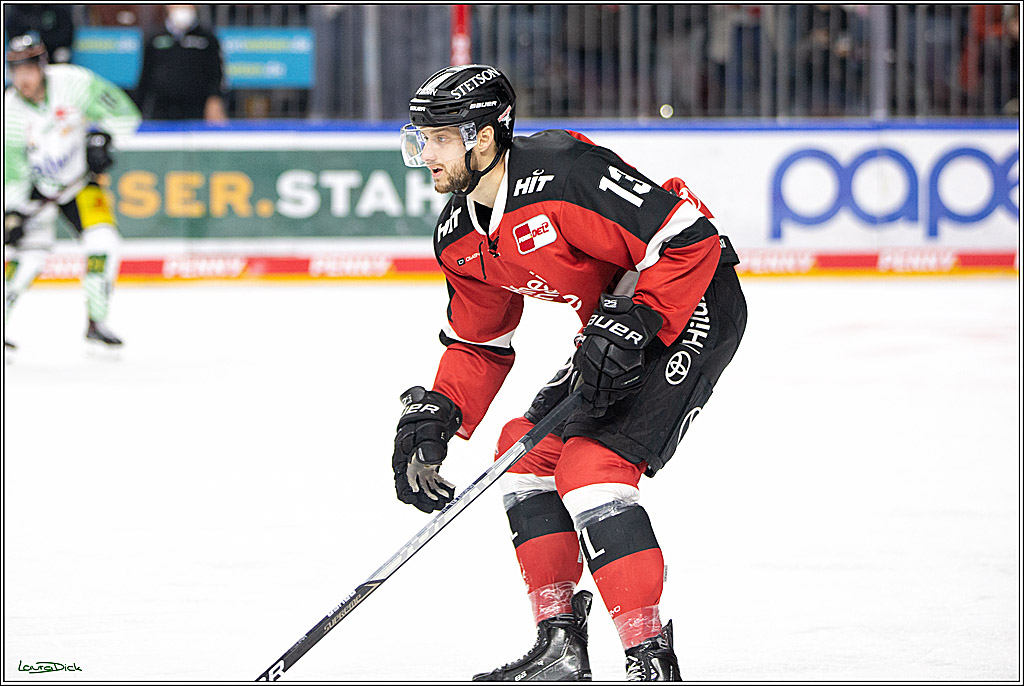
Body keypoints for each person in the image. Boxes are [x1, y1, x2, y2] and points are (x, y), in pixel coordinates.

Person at [391, 64, 747, 681]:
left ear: (484, 137)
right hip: (616, 324)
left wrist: (642, 318)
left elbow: (688, 236)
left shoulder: (565, 173)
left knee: (592, 468)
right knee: (523, 454)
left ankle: (650, 658)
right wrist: (440, 413)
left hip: (691, 302)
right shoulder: (458, 237)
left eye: (441, 139)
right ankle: (559, 645)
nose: (426, 154)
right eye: (421, 139)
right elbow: (479, 341)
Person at [4, 33, 141, 351]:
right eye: (15, 71)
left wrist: (103, 138)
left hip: (80, 183)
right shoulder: (8, 113)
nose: (23, 79)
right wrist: (12, 212)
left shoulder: (74, 83)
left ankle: (96, 322)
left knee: (104, 243)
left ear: (42, 65)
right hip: (36, 192)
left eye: (28, 69)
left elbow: (126, 114)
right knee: (27, 259)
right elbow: (12, 171)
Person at [134, 4, 227, 122]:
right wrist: (137, 109)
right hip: (162, 110)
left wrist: (215, 100)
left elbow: (217, 74)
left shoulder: (207, 39)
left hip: (197, 109)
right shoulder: (155, 38)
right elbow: (145, 77)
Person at [3, 5, 75, 63]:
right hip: (26, 56)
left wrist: (43, 43)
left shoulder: (57, 9)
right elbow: (13, 35)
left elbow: (65, 33)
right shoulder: (18, 9)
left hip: (52, 54)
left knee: (62, 55)